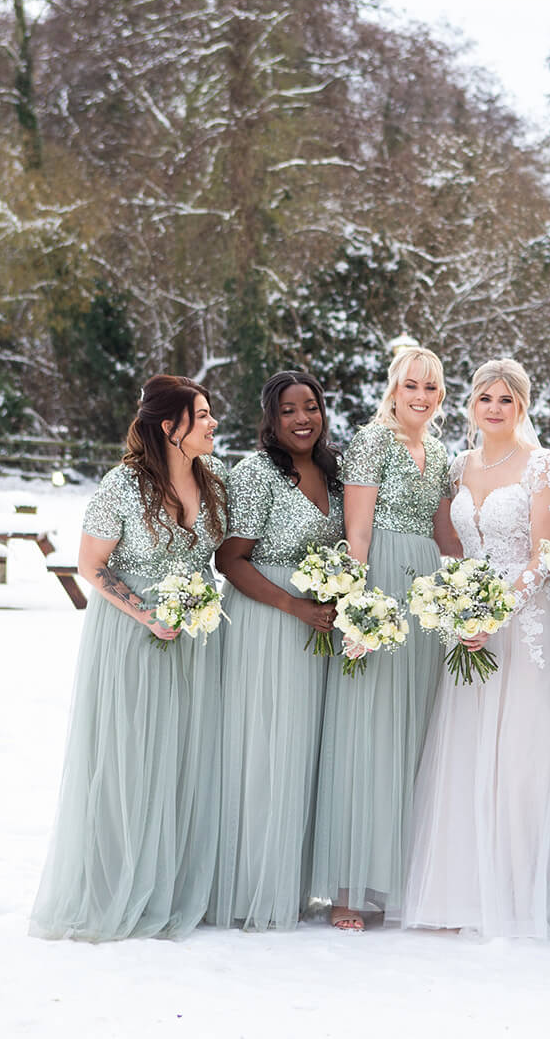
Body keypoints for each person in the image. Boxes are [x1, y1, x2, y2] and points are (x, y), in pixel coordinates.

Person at [30, 375, 227, 941]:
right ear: (171, 427)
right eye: (204, 415)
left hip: (196, 636)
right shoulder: (123, 486)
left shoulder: (214, 482)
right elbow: (90, 566)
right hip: (131, 635)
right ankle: (116, 885)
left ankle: (173, 884)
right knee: (130, 756)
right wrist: (148, 615)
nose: (213, 424)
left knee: (186, 757)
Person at [402, 359, 550, 937]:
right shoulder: (455, 466)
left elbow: (545, 557)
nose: (494, 408)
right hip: (467, 625)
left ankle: (522, 894)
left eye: (506, 399)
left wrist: (496, 609)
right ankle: (464, 893)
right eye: (485, 398)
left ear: (522, 405)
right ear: (471, 404)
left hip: (523, 625)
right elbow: (451, 547)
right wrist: (458, 607)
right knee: (466, 749)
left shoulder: (543, 466)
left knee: (523, 752)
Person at [312, 345, 459, 931]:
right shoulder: (373, 442)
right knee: (367, 728)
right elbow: (358, 530)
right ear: (393, 390)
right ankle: (349, 886)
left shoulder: (441, 449)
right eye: (411, 386)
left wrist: (468, 594)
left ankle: (391, 880)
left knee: (411, 729)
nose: (420, 397)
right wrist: (357, 608)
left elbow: (445, 531)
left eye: (431, 388)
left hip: (426, 596)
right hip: (382, 586)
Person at [211, 372, 345, 930]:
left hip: (318, 629)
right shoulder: (256, 473)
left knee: (303, 750)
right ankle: (251, 888)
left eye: (310, 407)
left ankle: (291, 882)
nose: (301, 419)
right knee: (265, 749)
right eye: (288, 411)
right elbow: (231, 560)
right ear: (270, 418)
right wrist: (294, 607)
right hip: (267, 626)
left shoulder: (334, 474)